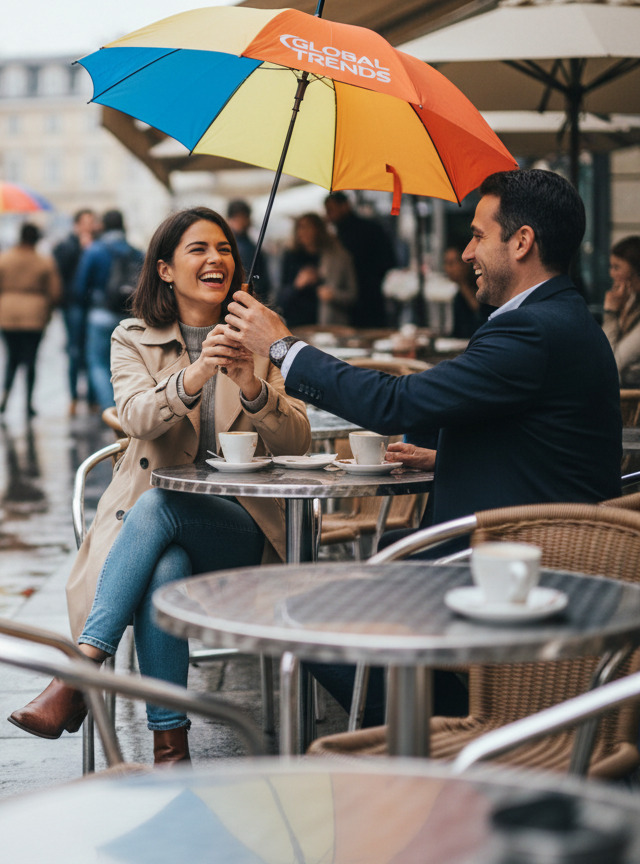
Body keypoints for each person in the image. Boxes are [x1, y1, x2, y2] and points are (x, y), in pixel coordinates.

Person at [230, 168, 623, 723]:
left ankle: (427, 735)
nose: (466, 253)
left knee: (297, 612)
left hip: (507, 571)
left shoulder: (532, 330)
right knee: (328, 592)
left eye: (478, 236)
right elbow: (543, 436)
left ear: (523, 241)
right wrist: (451, 456)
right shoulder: (555, 318)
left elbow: (397, 403)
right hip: (509, 550)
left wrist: (283, 348)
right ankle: (444, 718)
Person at [7, 207, 311, 763]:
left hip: (242, 534)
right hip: (148, 537)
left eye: (224, 248)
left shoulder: (261, 333)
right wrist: (194, 375)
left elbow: (298, 442)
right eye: (198, 249)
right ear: (166, 269)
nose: (216, 258)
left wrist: (251, 386)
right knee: (163, 564)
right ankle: (171, 749)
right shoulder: (131, 338)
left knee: (162, 507)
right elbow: (139, 419)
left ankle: (79, 675)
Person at [0, 223, 61, 417]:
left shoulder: (2, 259)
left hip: (7, 314)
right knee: (31, 360)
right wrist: (48, 309)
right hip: (35, 316)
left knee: (11, 358)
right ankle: (28, 403)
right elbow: (56, 292)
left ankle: (5, 396)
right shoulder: (44, 261)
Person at [76, 209, 142, 411]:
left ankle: (111, 410)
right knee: (128, 364)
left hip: (101, 314)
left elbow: (80, 285)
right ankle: (127, 406)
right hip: (129, 316)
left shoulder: (94, 250)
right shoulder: (136, 252)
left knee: (98, 363)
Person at [324, 191, 397, 329]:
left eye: (331, 210)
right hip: (351, 303)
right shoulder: (337, 234)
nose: (328, 215)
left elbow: (387, 261)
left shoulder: (367, 230)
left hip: (367, 299)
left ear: (345, 206)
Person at [275, 212, 356, 329]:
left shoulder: (336, 257)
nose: (303, 232)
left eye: (308, 227)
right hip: (297, 324)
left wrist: (333, 295)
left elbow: (352, 295)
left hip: (327, 323)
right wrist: (298, 284)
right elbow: (279, 297)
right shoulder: (290, 256)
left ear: (319, 229)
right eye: (300, 227)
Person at [52, 208, 97, 415]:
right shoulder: (66, 246)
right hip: (73, 306)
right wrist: (81, 251)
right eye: (86, 222)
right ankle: (72, 397)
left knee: (92, 351)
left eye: (92, 222)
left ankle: (91, 398)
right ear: (77, 224)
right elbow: (60, 273)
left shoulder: (97, 245)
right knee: (74, 351)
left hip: (92, 305)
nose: (89, 226)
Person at [603, 235, 640, 387]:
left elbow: (609, 363)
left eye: (617, 267)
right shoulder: (631, 301)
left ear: (635, 271)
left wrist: (611, 314)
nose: (612, 273)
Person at [226, 199, 272, 305]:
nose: (241, 222)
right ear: (230, 220)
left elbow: (261, 277)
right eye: (237, 218)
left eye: (244, 217)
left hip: (254, 296)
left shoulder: (251, 244)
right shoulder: (228, 245)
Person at [444, 243, 490, 339]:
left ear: (465, 264)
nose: (448, 269)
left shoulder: (483, 286)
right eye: (446, 263)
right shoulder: (458, 296)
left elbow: (482, 317)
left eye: (451, 263)